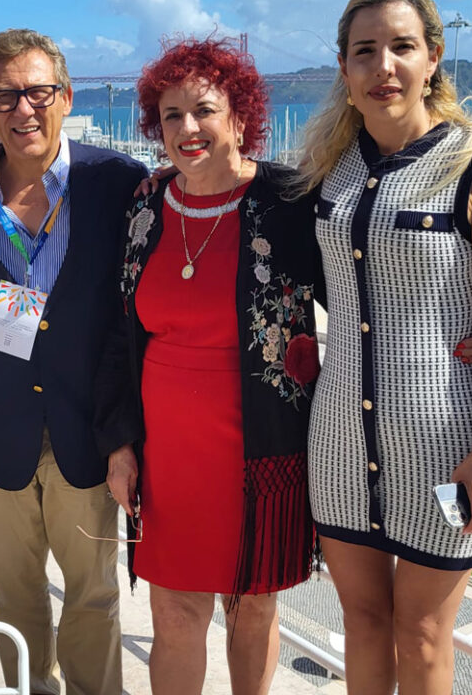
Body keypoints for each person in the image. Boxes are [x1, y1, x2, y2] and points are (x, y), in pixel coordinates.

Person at [95, 37, 322, 695]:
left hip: (262, 450)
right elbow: (119, 333)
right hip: (167, 455)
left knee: (252, 608)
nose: (187, 128)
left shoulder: (288, 202)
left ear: (239, 115)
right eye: (171, 115)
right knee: (174, 613)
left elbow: (362, 288)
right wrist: (118, 442)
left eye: (204, 110)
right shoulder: (146, 207)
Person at [0, 28, 145, 695]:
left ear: (66, 96)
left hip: (88, 433)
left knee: (93, 596)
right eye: (4, 95)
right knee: (15, 598)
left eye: (37, 91)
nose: (23, 109)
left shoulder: (117, 182)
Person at [300, 0, 472, 695]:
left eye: (402, 47)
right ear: (344, 67)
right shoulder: (327, 172)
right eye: (365, 50)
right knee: (364, 626)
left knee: (424, 635)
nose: (385, 66)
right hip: (341, 443)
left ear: (434, 57)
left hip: (443, 444)